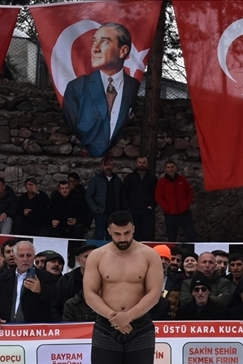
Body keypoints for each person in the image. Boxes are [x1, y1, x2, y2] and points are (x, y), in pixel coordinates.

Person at [81, 210, 163, 364]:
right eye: (117, 233)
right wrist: (114, 316)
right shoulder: (98, 256)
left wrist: (130, 316)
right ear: (109, 231)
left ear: (134, 229)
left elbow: (154, 292)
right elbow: (90, 292)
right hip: (107, 326)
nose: (122, 237)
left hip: (140, 326)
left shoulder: (149, 255)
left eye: (126, 232)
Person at [62, 23, 140, 157]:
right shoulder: (76, 87)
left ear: (123, 51)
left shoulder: (134, 87)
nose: (95, 49)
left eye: (104, 42)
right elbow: (74, 123)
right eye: (94, 42)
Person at [155, 160, 195, 242]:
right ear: (165, 169)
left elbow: (190, 192)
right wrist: (167, 208)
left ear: (175, 167)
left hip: (184, 213)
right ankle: (172, 253)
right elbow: (158, 197)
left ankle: (191, 253)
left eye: (172, 167)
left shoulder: (182, 180)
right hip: (171, 215)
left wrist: (186, 204)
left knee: (190, 235)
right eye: (168, 167)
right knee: (171, 237)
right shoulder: (162, 182)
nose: (171, 169)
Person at [86, 158, 123, 240]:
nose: (108, 167)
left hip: (113, 214)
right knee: (99, 236)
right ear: (101, 166)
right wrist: (95, 210)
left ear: (113, 166)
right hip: (101, 214)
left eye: (110, 165)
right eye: (106, 165)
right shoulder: (95, 180)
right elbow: (88, 196)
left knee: (112, 237)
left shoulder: (117, 180)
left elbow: (120, 197)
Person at [121, 156, 157, 242]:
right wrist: (127, 208)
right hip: (132, 209)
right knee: (133, 232)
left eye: (143, 163)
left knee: (146, 233)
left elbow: (156, 194)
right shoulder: (130, 177)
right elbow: (123, 193)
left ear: (147, 164)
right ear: (136, 164)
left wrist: (151, 206)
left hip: (146, 210)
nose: (141, 165)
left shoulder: (152, 178)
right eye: (140, 162)